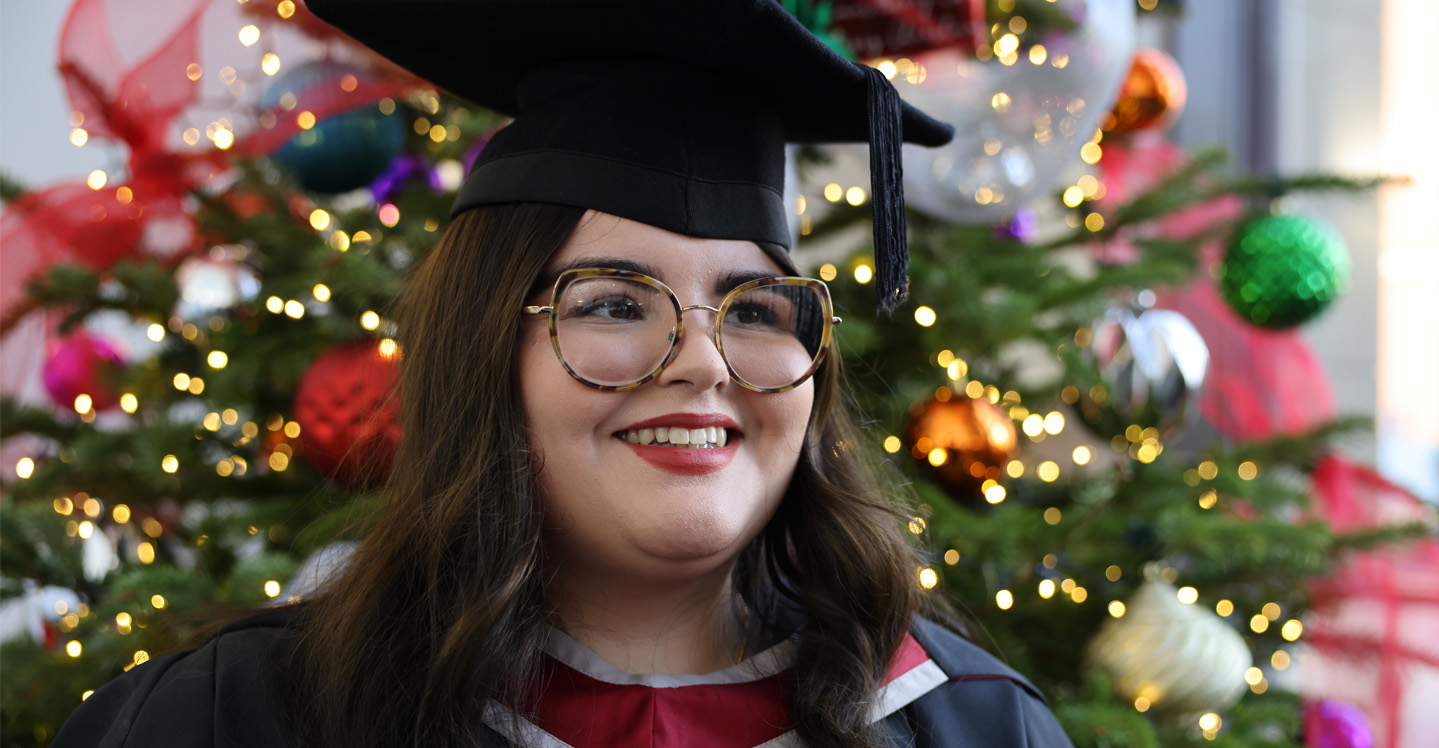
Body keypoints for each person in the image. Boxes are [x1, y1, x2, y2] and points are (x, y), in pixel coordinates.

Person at [55, 2, 1071, 746]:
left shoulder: (972, 725)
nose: (703, 362)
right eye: (614, 303)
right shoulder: (228, 720)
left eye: (757, 309)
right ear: (487, 350)